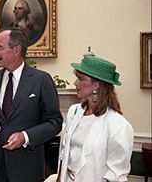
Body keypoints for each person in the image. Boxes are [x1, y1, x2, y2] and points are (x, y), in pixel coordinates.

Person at [0, 27, 63, 182]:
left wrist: (25, 137)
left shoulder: (41, 80)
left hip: (27, 169)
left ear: (16, 50)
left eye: (0, 47)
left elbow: (55, 122)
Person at [56, 51, 134, 182]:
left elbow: (115, 175)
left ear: (97, 85)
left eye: (80, 78)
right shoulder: (74, 112)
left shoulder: (118, 125)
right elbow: (64, 153)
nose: (75, 83)